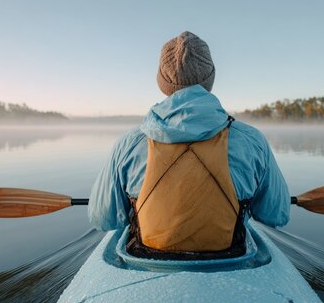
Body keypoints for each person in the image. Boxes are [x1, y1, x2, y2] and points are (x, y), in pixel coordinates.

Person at [88, 31, 290, 259]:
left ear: (162, 83)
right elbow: (275, 215)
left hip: (147, 258)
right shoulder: (252, 140)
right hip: (231, 257)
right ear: (210, 80)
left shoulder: (129, 143)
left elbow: (103, 219)